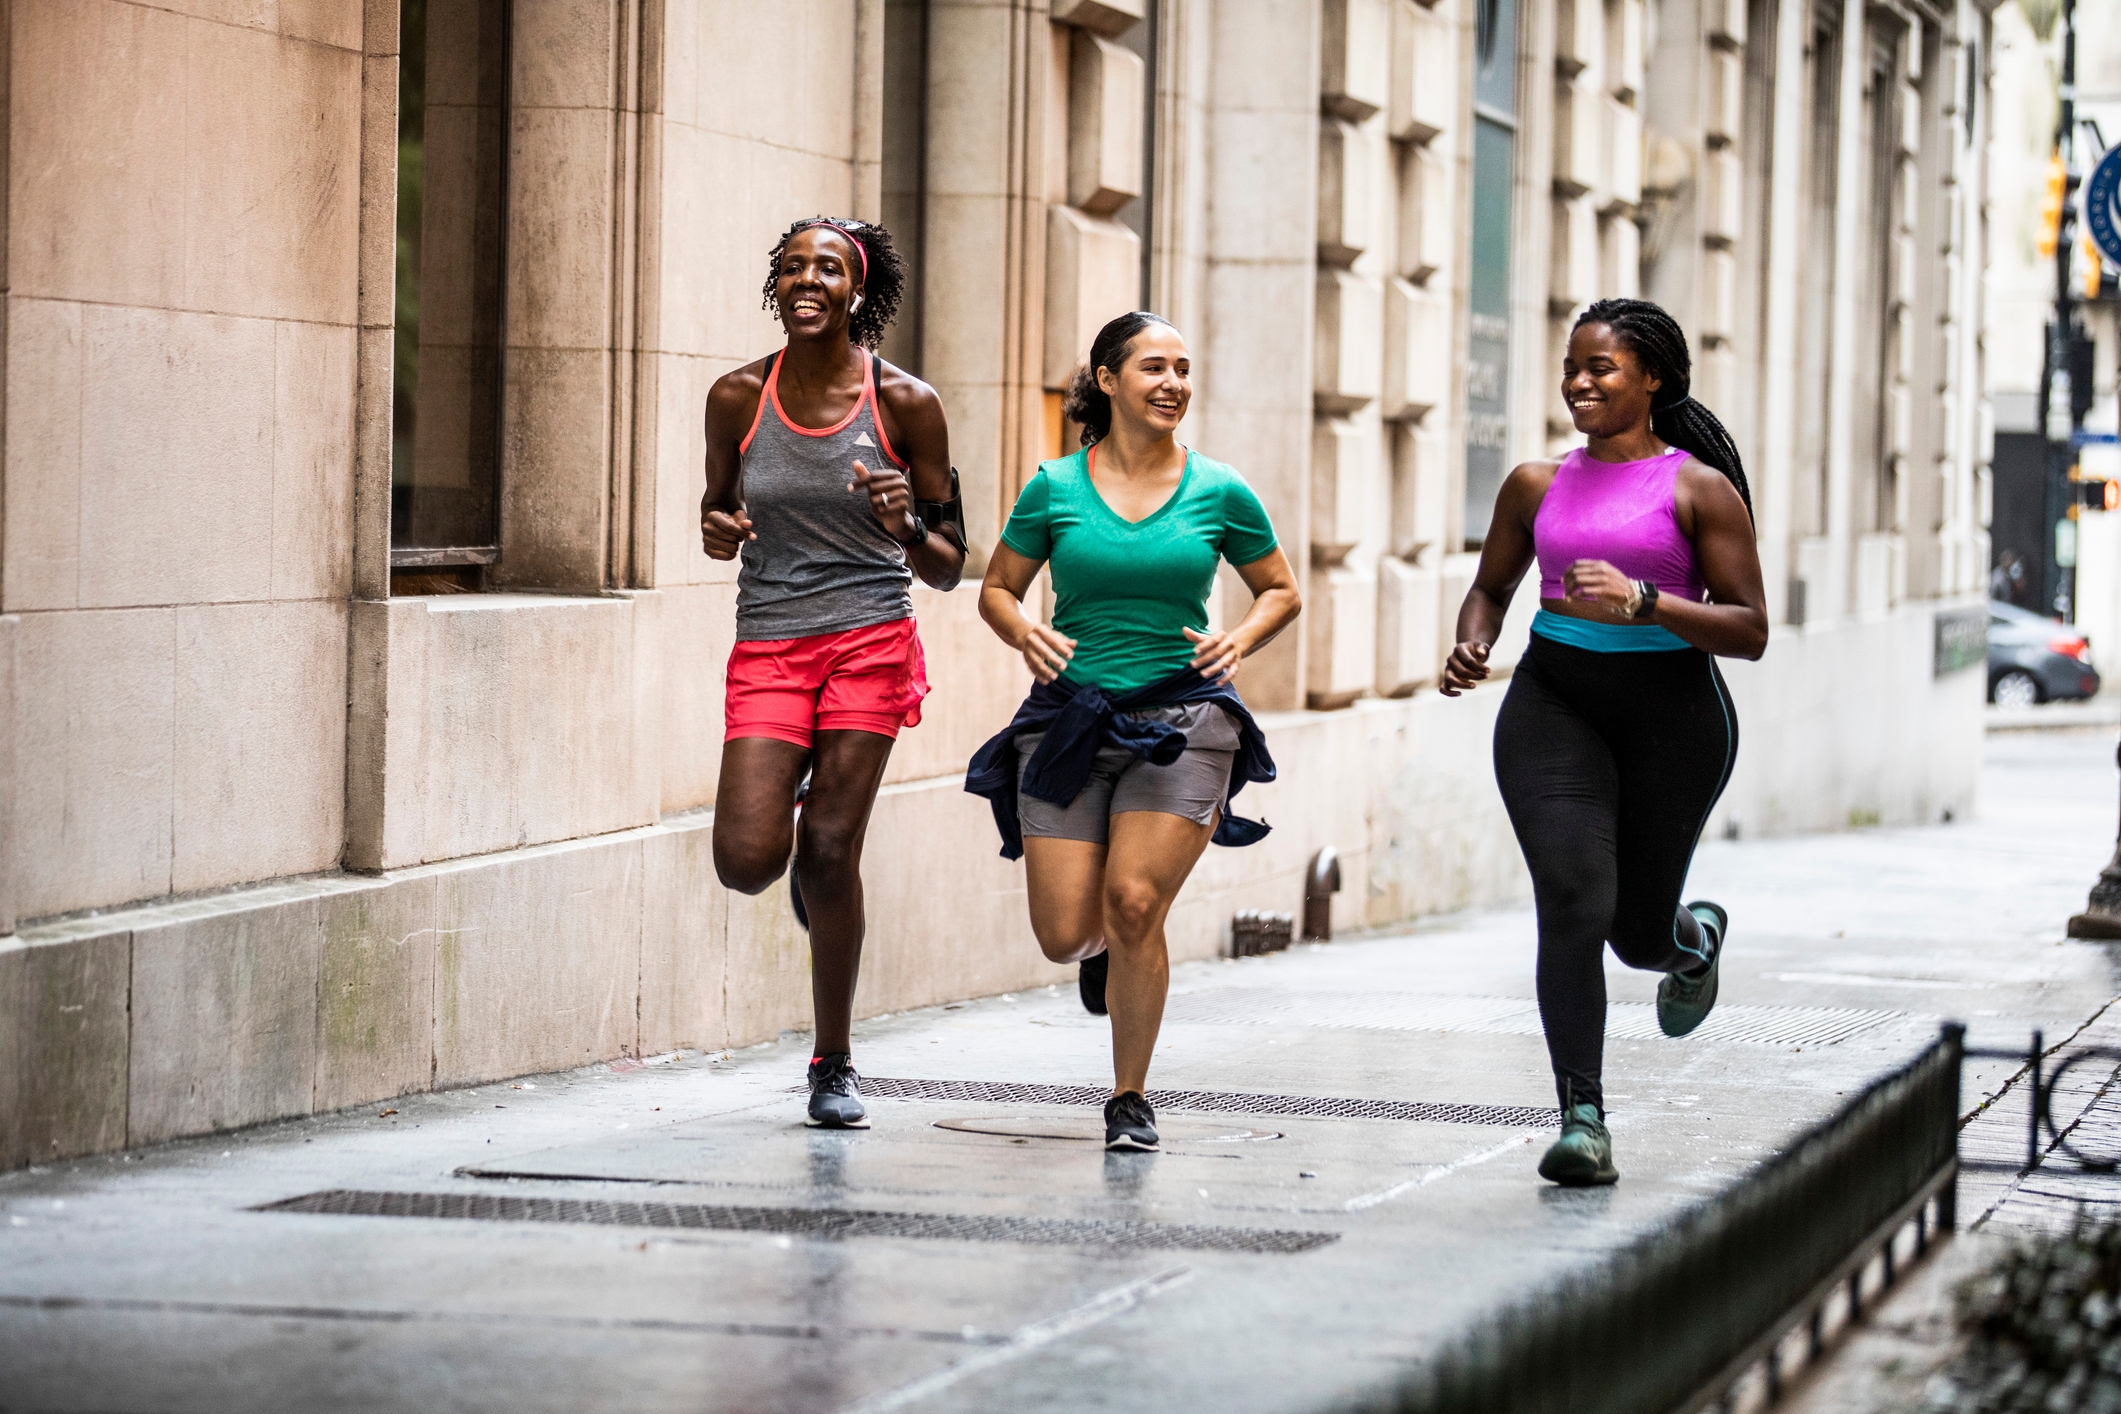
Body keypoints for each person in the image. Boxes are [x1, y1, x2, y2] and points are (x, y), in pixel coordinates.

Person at [1440, 297, 1767, 1187]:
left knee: (1634, 932)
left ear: (1652, 377)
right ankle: (1581, 1117)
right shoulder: (1534, 484)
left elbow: (1749, 630)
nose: (1578, 383)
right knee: (1573, 900)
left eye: (1601, 369)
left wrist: (1645, 602)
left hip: (1673, 716)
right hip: (1554, 703)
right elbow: (1490, 587)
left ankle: (1689, 940)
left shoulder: (1699, 489)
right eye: (1571, 368)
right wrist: (1473, 640)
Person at [966, 311, 1302, 1152]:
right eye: (1154, 367)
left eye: (1183, 369)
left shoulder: (1219, 489)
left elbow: (1280, 589)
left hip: (1184, 719)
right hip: (1072, 721)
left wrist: (1241, 638)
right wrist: (1022, 632)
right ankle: (1102, 954)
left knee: (1134, 901)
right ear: (1107, 380)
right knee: (1063, 931)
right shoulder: (1054, 487)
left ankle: (1128, 1098)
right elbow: (997, 587)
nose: (1173, 384)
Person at [700, 216, 966, 1129]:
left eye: (826, 269)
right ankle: (808, 824)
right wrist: (717, 530)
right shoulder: (737, 397)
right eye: (790, 268)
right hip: (771, 639)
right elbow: (716, 509)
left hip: (868, 640)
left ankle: (833, 1061)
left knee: (826, 852)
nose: (806, 280)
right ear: (774, 286)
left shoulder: (907, 405)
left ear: (857, 291)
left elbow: (947, 562)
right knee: (745, 861)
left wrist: (903, 522)